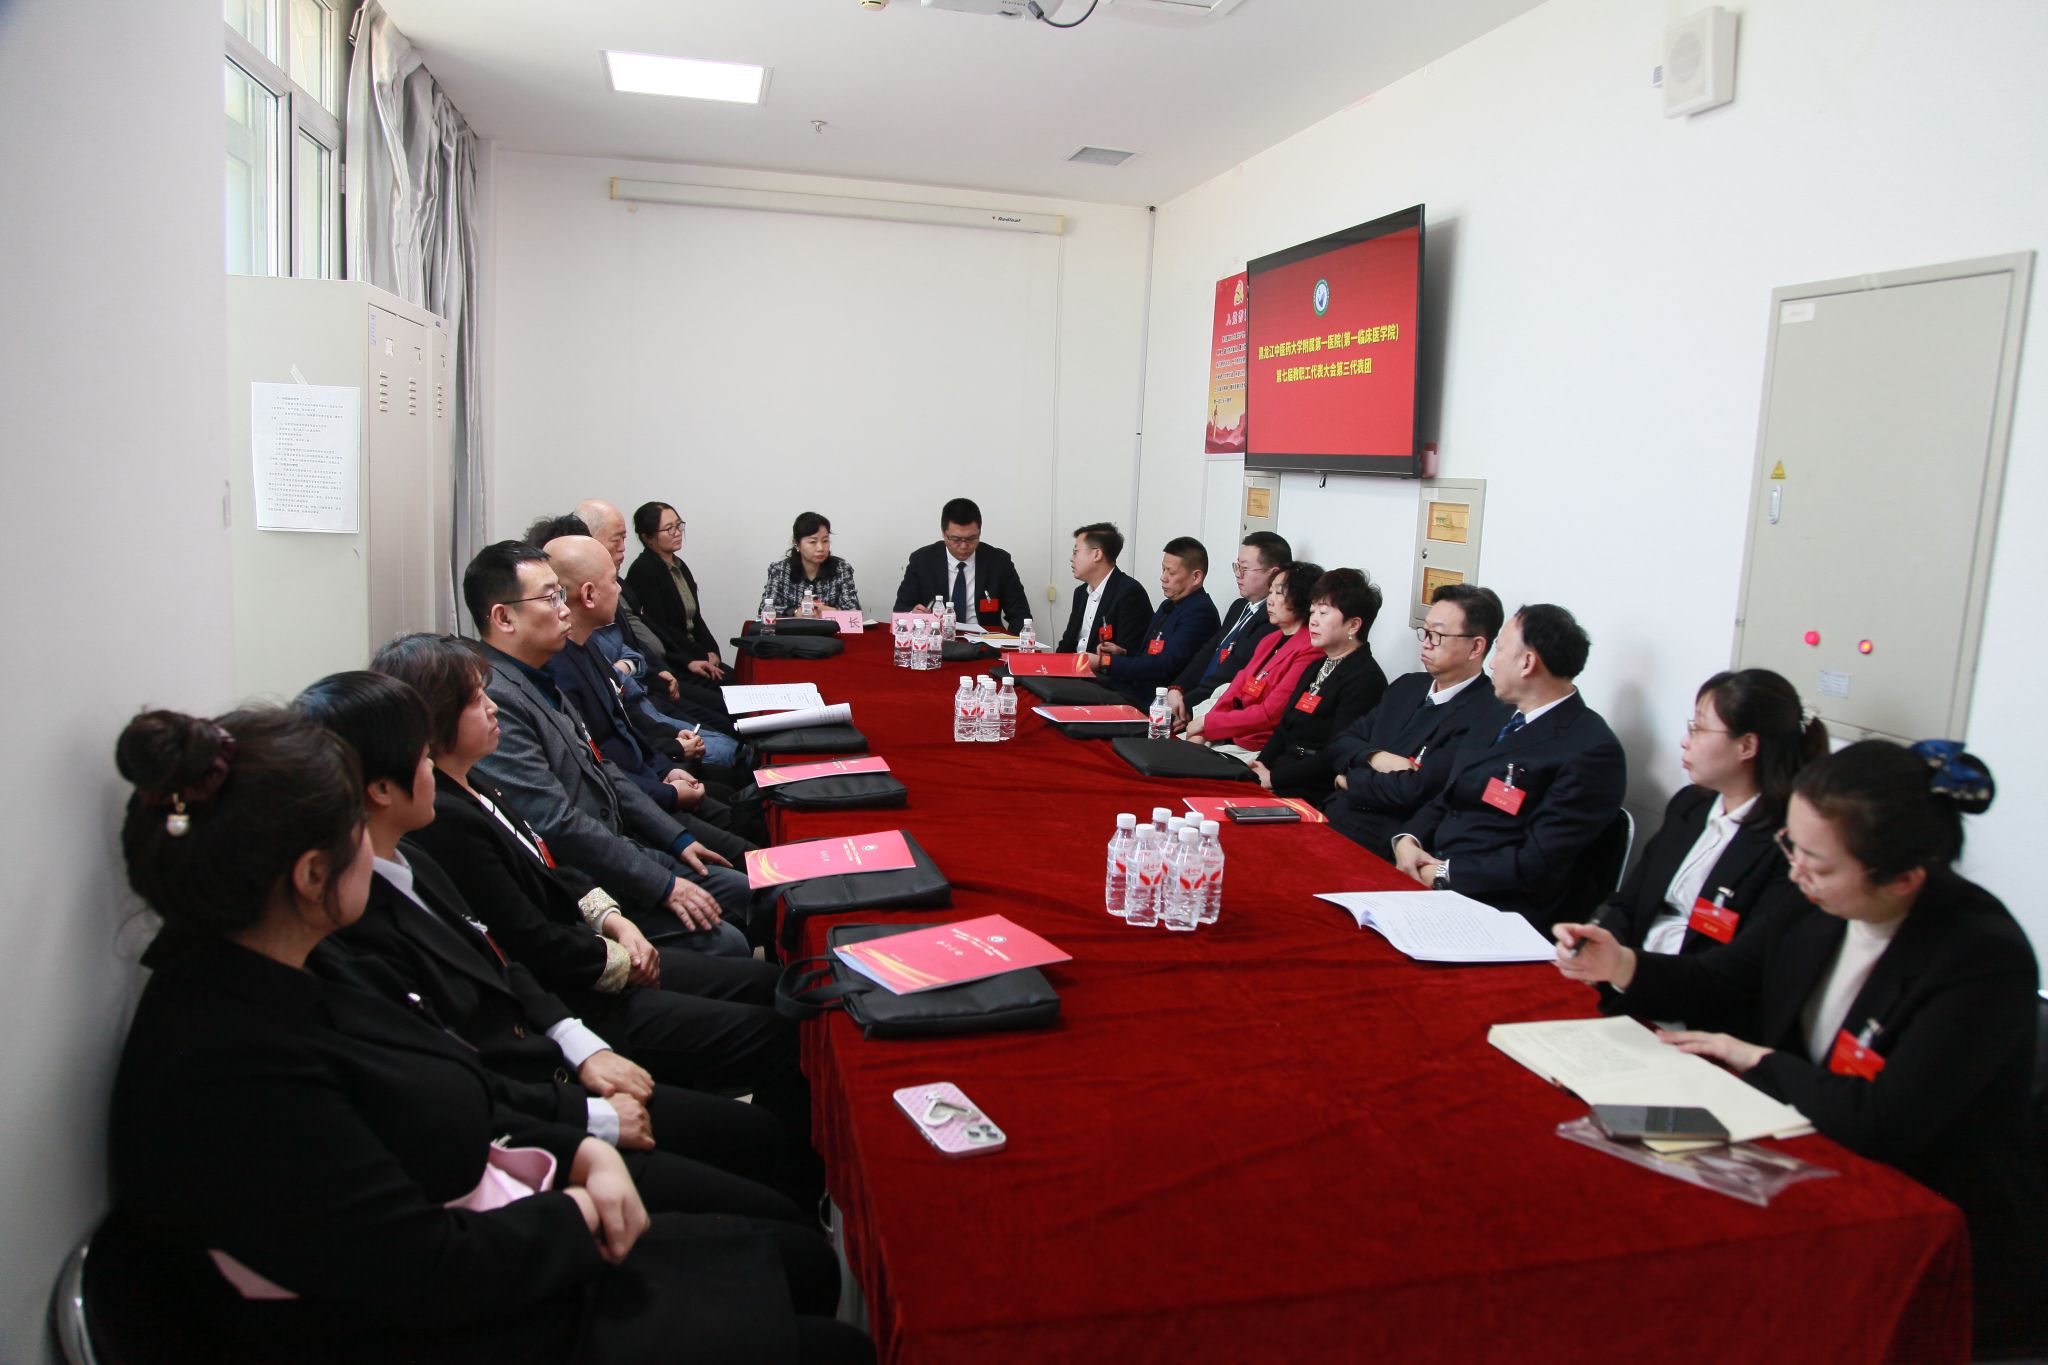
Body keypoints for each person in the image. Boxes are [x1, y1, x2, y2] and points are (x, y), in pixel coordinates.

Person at [101, 706, 870, 1364]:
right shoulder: (226, 1070)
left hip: (514, 1205)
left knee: (802, 1264)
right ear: (309, 875)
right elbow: (419, 1269)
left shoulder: (291, 962)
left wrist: (584, 1151)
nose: (371, 844)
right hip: (469, 1313)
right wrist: (578, 1202)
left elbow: (457, 1071)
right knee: (827, 1328)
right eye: (354, 831)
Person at [1555, 741, 2043, 1357]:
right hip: (1804, 1146)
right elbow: (1725, 981)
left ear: (1903, 880)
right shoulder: (1815, 902)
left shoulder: (1980, 958)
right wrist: (1622, 964)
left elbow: (1883, 1122)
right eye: (1791, 845)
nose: (1795, 872)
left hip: (1925, 1226)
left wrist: (1756, 1060)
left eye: (1818, 862)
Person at [296, 668, 816, 1207]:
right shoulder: (424, 845)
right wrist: (588, 1092)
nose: (492, 707)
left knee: (777, 997)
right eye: (419, 754)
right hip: (555, 1057)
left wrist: (610, 923)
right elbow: (509, 974)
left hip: (561, 1027)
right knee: (765, 1035)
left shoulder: (435, 831)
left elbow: (535, 897)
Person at [462, 541, 760, 956]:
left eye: (561, 595)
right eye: (551, 598)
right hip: (590, 881)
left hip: (627, 840)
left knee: (752, 889)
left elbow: (602, 768)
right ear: (503, 617)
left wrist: (676, 839)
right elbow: (556, 822)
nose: (564, 609)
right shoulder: (498, 698)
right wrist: (664, 883)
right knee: (736, 927)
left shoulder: (536, 671)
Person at [1393, 603, 1626, 929]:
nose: (1492, 662)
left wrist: (1443, 873)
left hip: (1499, 909)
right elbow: (1449, 797)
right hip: (1432, 879)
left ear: (1527, 662)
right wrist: (1408, 840)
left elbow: (1538, 864)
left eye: (1500, 649)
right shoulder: (1497, 716)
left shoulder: (1590, 750)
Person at [1595, 668, 1826, 961]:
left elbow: (1738, 963)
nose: (1685, 741)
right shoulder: (1690, 805)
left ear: (1746, 746)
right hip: (1625, 966)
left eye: (1699, 729)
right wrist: (1597, 949)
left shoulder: (1783, 845)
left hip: (1680, 980)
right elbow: (1629, 904)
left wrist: (1629, 970)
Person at [1323, 583, 1502, 852]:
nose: (1426, 643)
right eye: (1425, 632)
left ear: (1476, 647)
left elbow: (1416, 789)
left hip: (1384, 837)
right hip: (1333, 812)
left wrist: (1348, 780)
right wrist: (1376, 757)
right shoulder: (1408, 686)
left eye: (1437, 636)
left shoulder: (1488, 712)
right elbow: (1340, 743)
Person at [1247, 569, 1388, 799]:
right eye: (1313, 611)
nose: (1313, 620)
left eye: (1323, 613)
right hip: (1282, 769)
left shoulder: (1365, 679)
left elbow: (1337, 753)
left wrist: (1274, 778)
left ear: (1353, 625)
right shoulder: (1317, 665)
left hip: (1312, 786)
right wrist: (1259, 766)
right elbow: (1284, 727)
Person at [1180, 560, 1320, 756]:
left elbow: (1271, 713)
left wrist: (1208, 724)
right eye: (1270, 592)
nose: (1270, 600)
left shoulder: (1310, 648)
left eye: (1279, 593)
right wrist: (1205, 729)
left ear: (1301, 598)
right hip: (1227, 730)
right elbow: (1235, 689)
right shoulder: (1270, 639)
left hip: (1256, 743)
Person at [1165, 531, 1290, 731]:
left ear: (1273, 573)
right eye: (1237, 566)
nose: (1238, 574)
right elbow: (1208, 653)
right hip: (1194, 700)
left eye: (1245, 569)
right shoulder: (1238, 607)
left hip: (1216, 707)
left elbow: (1233, 670)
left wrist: (1187, 705)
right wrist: (1177, 688)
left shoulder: (1272, 621)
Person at [1095, 536, 1222, 704]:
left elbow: (1164, 665)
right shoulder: (1168, 605)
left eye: (1171, 572)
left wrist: (1104, 662)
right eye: (1163, 570)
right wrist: (1123, 654)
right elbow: (1150, 654)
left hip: (1154, 701)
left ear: (1196, 577)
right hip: (1133, 689)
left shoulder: (1201, 612)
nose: (1163, 577)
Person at [621, 500, 727, 683]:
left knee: (739, 681)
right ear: (647, 537)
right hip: (676, 660)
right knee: (727, 688)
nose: (677, 532)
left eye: (678, 525)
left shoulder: (679, 566)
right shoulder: (643, 570)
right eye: (669, 528)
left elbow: (696, 618)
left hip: (695, 653)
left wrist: (712, 651)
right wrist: (701, 655)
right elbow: (661, 627)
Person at [890, 496, 1033, 630]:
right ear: (943, 533)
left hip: (985, 640)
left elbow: (1020, 615)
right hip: (937, 638)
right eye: (956, 539)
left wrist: (1012, 643)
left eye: (971, 538)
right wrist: (912, 615)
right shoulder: (922, 561)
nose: (964, 546)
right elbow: (900, 610)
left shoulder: (999, 562)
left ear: (979, 532)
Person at [1054, 521, 1152, 656]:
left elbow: (1129, 652)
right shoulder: (1081, 593)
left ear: (1097, 554)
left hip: (1102, 668)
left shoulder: (1130, 593)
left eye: (1076, 552)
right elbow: (1067, 643)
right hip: (1074, 665)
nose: (1071, 558)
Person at [759, 511, 859, 615]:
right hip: (794, 626)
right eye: (812, 542)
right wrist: (795, 612)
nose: (820, 548)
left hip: (830, 625)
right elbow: (765, 609)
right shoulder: (780, 570)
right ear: (796, 544)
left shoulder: (841, 569)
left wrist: (828, 611)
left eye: (825, 541)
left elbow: (853, 610)